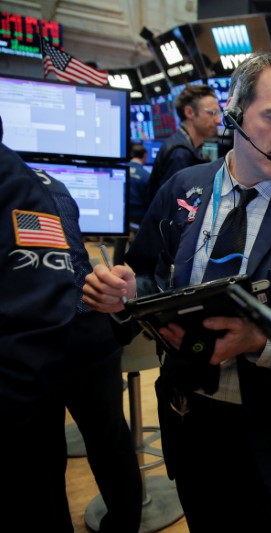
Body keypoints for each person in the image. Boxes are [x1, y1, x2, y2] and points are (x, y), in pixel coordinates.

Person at [83, 53, 271, 532]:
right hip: (192, 423)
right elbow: (149, 275)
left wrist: (262, 342)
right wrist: (126, 294)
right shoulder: (183, 189)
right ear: (235, 110)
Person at [1, 129, 141, 530]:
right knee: (111, 443)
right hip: (90, 330)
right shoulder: (53, 184)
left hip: (31, 346)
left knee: (42, 461)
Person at [147, 84, 221, 201]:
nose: (218, 120)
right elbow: (176, 206)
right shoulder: (180, 154)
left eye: (218, 113)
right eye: (212, 113)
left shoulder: (185, 146)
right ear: (189, 112)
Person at [128, 143, 151, 225]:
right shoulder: (146, 175)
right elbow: (149, 200)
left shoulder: (120, 171)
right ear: (145, 155)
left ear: (131, 154)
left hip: (121, 215)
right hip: (138, 218)